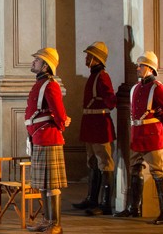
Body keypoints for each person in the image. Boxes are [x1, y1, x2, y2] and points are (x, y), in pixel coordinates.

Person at [114, 51, 163, 225]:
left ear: (149, 68)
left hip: (152, 137)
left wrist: (157, 124)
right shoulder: (136, 88)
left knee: (158, 172)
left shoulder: (157, 88)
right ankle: (134, 208)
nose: (137, 68)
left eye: (141, 65)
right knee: (134, 170)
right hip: (137, 136)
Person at [25, 47, 69, 234]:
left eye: (37, 60)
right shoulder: (40, 84)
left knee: (52, 184)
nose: (33, 62)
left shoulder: (51, 85)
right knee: (43, 184)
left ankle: (55, 224)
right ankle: (46, 220)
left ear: (45, 66)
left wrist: (62, 124)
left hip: (49, 138)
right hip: (39, 137)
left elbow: (59, 113)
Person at [71, 42, 116, 215]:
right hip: (91, 124)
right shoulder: (93, 76)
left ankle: (105, 205)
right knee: (92, 162)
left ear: (97, 59)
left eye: (89, 56)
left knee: (105, 163)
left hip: (99, 126)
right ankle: (92, 199)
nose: (86, 58)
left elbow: (111, 101)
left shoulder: (102, 76)